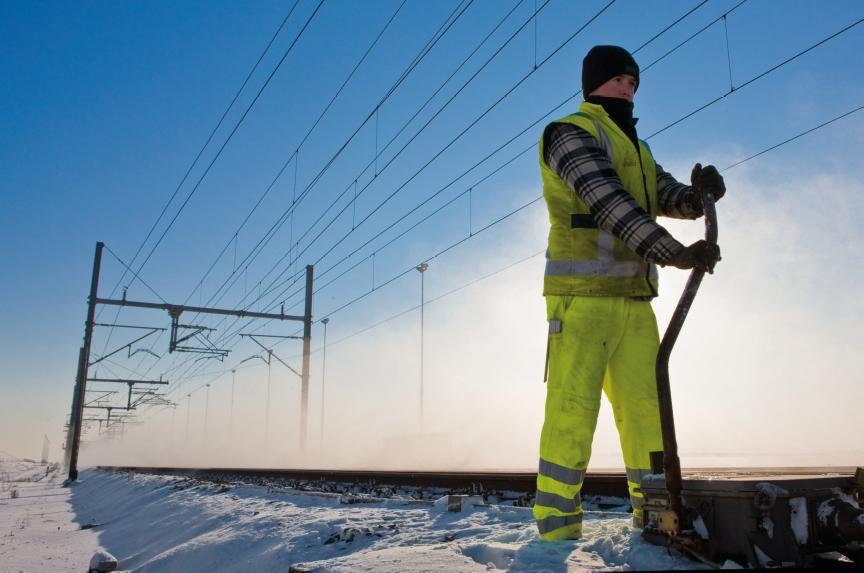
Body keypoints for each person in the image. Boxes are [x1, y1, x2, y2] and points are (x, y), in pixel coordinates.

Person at [533, 45, 725, 541]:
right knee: (573, 412)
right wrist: (674, 253)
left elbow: (664, 196)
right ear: (595, 82)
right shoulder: (569, 134)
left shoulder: (637, 148)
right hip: (581, 301)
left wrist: (700, 194)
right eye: (619, 79)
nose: (629, 88)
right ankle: (556, 534)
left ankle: (654, 520)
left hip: (635, 304)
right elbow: (609, 204)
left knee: (647, 418)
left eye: (634, 81)